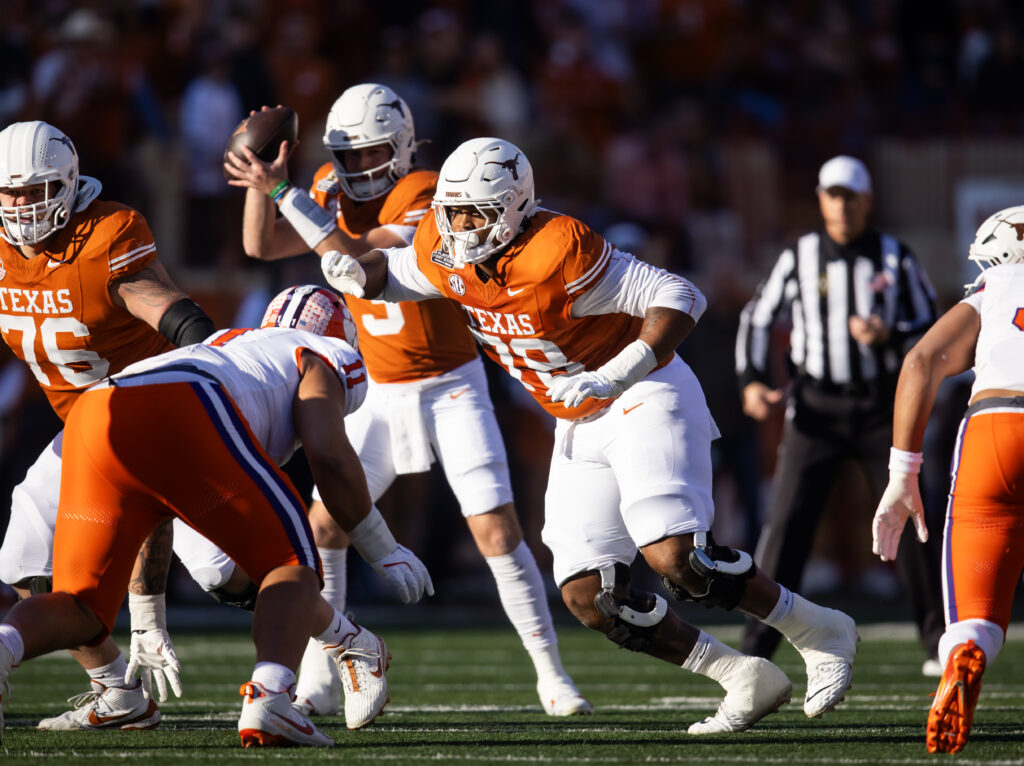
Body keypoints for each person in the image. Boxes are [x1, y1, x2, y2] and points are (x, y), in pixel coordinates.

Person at [321, 136, 859, 734]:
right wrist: (359, 272)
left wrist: (616, 370)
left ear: (517, 207)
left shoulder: (560, 249)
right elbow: (403, 273)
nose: (463, 225)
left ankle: (817, 626)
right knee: (589, 595)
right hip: (576, 419)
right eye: (453, 211)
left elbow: (680, 294)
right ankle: (740, 675)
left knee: (677, 559)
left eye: (479, 211)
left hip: (641, 392)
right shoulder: (443, 245)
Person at [221, 83, 590, 717]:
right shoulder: (324, 190)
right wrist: (263, 181)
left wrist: (288, 195)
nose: (360, 167)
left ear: (402, 145)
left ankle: (552, 676)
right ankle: (320, 676)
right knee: (324, 525)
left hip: (452, 382)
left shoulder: (424, 189)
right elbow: (261, 246)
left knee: (496, 529)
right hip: (376, 389)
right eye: (350, 155)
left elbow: (357, 261)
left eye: (371, 153)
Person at [0, 285, 432, 747]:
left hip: (97, 412)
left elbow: (158, 498)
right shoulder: (319, 351)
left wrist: (149, 617)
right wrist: (381, 547)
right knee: (289, 564)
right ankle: (271, 698)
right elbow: (329, 456)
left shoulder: (227, 343)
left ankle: (4, 646)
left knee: (82, 605)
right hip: (186, 406)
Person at [0, 120, 218, 729]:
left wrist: (208, 349)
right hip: (83, 428)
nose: (21, 207)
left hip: (146, 414)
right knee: (23, 561)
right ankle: (116, 689)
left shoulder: (108, 233)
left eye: (36, 191)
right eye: (9, 194)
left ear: (70, 186)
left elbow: (165, 308)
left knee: (227, 575)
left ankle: (340, 637)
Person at [735, 155, 945, 673]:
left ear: (867, 201)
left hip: (880, 408)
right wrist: (753, 382)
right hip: (817, 409)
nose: (842, 205)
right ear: (821, 198)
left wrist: (888, 336)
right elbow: (757, 318)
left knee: (915, 517)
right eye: (833, 194)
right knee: (787, 526)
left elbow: (934, 327)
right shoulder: (800, 255)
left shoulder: (896, 257)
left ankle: (940, 639)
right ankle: (755, 651)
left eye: (850, 196)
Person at [871, 205, 1024, 754]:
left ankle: (965, 652)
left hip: (998, 430)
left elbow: (921, 362)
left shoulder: (995, 287)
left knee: (975, 609)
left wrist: (901, 474)